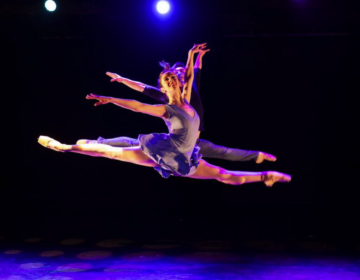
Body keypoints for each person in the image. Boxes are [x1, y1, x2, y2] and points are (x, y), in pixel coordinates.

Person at [38, 43, 291, 186]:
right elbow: (136, 104)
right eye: (166, 78)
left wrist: (192, 56)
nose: (172, 78)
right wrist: (110, 98)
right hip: (165, 151)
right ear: (163, 86)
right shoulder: (166, 108)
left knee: (223, 175)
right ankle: (65, 147)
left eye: (174, 76)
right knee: (113, 152)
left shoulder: (188, 100)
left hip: (185, 159)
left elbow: (191, 74)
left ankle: (265, 177)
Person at [77, 47, 275, 164]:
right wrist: (122, 80)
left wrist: (198, 56)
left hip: (193, 144)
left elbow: (194, 72)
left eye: (181, 73)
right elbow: (140, 92)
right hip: (175, 143)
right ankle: (98, 142)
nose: (180, 75)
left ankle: (256, 156)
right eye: (176, 73)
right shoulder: (167, 94)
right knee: (133, 144)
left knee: (222, 154)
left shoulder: (189, 89)